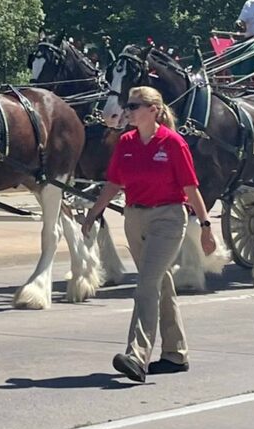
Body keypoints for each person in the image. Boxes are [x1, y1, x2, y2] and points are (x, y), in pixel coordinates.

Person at [84, 87, 215, 383]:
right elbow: (114, 183)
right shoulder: (126, 142)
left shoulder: (172, 143)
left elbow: (191, 188)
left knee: (146, 284)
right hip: (134, 217)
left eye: (134, 105)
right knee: (160, 283)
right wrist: (94, 213)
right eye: (127, 105)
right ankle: (175, 354)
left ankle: (136, 355)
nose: (128, 110)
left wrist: (206, 227)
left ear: (153, 110)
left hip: (168, 218)